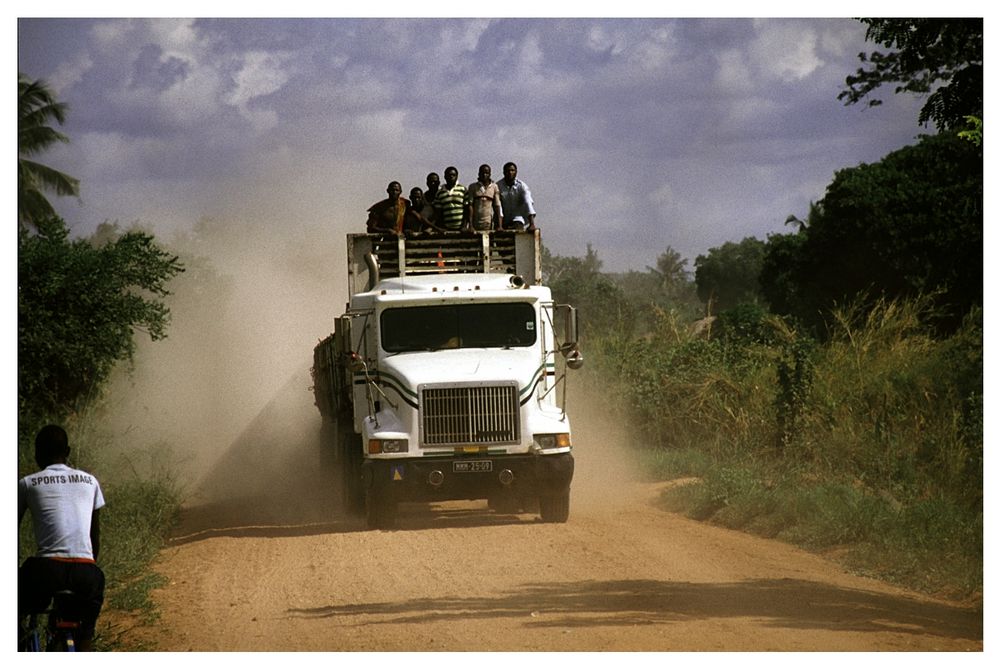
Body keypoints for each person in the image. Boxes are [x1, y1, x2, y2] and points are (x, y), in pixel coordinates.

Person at [18, 424, 106, 652]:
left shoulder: (28, 484)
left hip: (45, 572)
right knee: (85, 627)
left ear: (37, 453)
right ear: (67, 452)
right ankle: (84, 644)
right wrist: (86, 566)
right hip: (86, 573)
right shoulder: (90, 482)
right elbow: (94, 537)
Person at [497, 161, 537, 230]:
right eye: (508, 171)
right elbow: (498, 205)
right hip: (502, 220)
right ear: (503, 173)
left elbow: (528, 202)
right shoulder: (498, 186)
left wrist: (532, 224)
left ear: (516, 172)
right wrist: (500, 226)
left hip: (517, 219)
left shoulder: (522, 186)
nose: (510, 173)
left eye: (512, 170)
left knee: (517, 231)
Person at [466, 164, 503, 232]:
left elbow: (497, 206)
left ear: (490, 174)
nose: (484, 175)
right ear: (479, 174)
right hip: (475, 224)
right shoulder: (473, 187)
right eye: (482, 173)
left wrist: (499, 226)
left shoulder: (494, 187)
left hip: (488, 223)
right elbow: (470, 206)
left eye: (486, 173)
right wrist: (470, 225)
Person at [433, 166, 467, 232]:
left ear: (457, 176)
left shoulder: (463, 189)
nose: (451, 177)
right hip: (446, 228)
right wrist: (442, 227)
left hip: (461, 228)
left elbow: (466, 209)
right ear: (445, 177)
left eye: (453, 175)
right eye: (449, 175)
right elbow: (438, 212)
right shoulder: (440, 192)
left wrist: (464, 226)